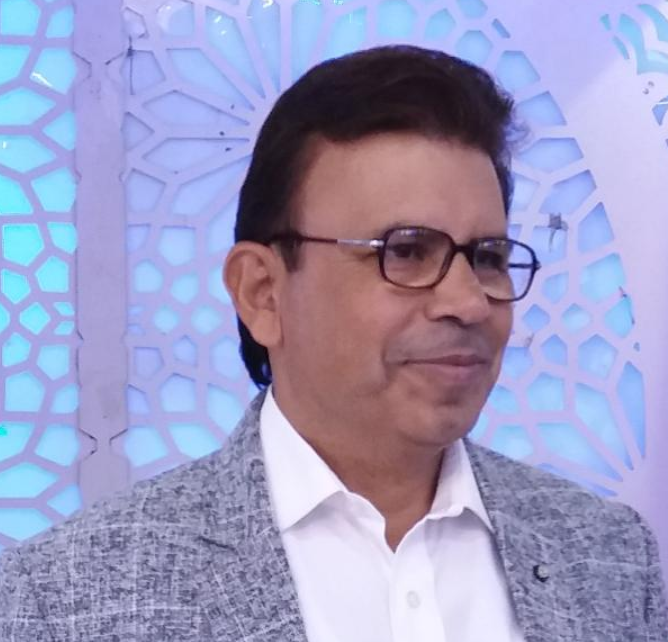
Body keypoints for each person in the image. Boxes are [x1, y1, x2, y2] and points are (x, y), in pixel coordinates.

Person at [0, 45, 666, 642]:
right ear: (262, 292)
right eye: (406, 251)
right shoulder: (67, 598)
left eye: (487, 257)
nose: (467, 303)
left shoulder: (609, 558)